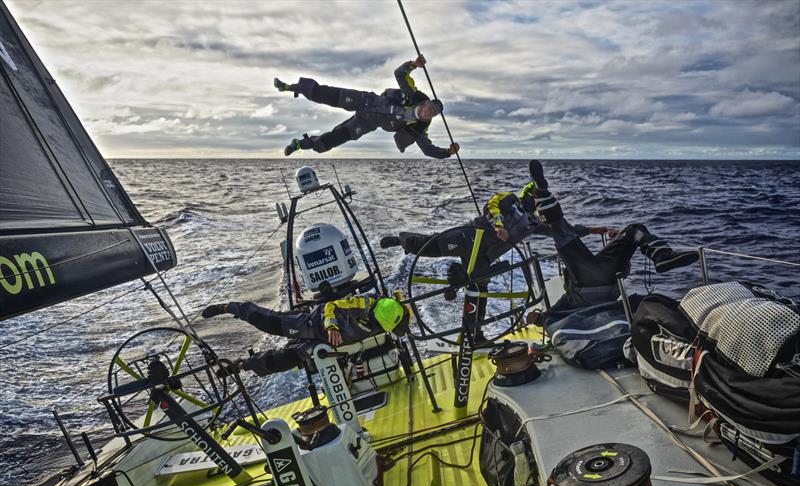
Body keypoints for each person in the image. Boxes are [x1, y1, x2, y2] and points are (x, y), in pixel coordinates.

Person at [380, 160, 698, 330]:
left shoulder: (533, 223)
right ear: (527, 194)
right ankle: (400, 239)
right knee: (427, 246)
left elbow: (563, 230)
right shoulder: (507, 202)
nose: (532, 202)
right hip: (468, 239)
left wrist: (600, 228)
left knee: (479, 289)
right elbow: (490, 207)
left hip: (486, 256)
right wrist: (501, 227)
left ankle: (472, 327)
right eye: (533, 195)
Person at [274, 55, 459, 158]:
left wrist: (447, 152)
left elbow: (427, 149)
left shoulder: (419, 128)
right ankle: (288, 87)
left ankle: (300, 144)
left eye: (433, 114)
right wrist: (413, 64)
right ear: (425, 102)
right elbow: (400, 74)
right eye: (431, 107)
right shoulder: (414, 95)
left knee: (335, 138)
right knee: (325, 94)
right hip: (365, 100)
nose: (429, 112)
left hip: (367, 122)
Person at [202, 295, 409, 376]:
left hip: (320, 344)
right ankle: (231, 307)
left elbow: (405, 312)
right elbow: (330, 305)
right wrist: (333, 327)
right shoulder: (362, 304)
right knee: (270, 323)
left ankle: (241, 365)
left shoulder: (389, 318)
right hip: (311, 323)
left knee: (285, 360)